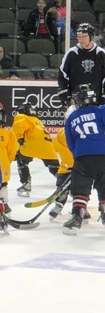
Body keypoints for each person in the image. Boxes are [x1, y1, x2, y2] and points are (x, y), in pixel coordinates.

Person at [63, 84, 105, 235]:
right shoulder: (102, 110)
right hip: (103, 154)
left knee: (80, 188)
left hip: (82, 156)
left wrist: (78, 155)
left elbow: (70, 141)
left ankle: (77, 216)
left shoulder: (72, 117)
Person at [12, 102, 59, 197]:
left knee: (21, 160)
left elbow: (18, 127)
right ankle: (65, 184)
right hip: (48, 146)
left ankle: (26, 184)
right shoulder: (37, 120)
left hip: (32, 146)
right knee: (54, 167)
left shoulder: (22, 117)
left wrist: (20, 138)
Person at [58, 23, 105, 107]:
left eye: (84, 36)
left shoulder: (101, 54)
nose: (81, 40)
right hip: (76, 101)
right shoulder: (72, 53)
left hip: (97, 102)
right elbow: (62, 75)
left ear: (91, 36)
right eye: (79, 37)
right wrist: (65, 95)